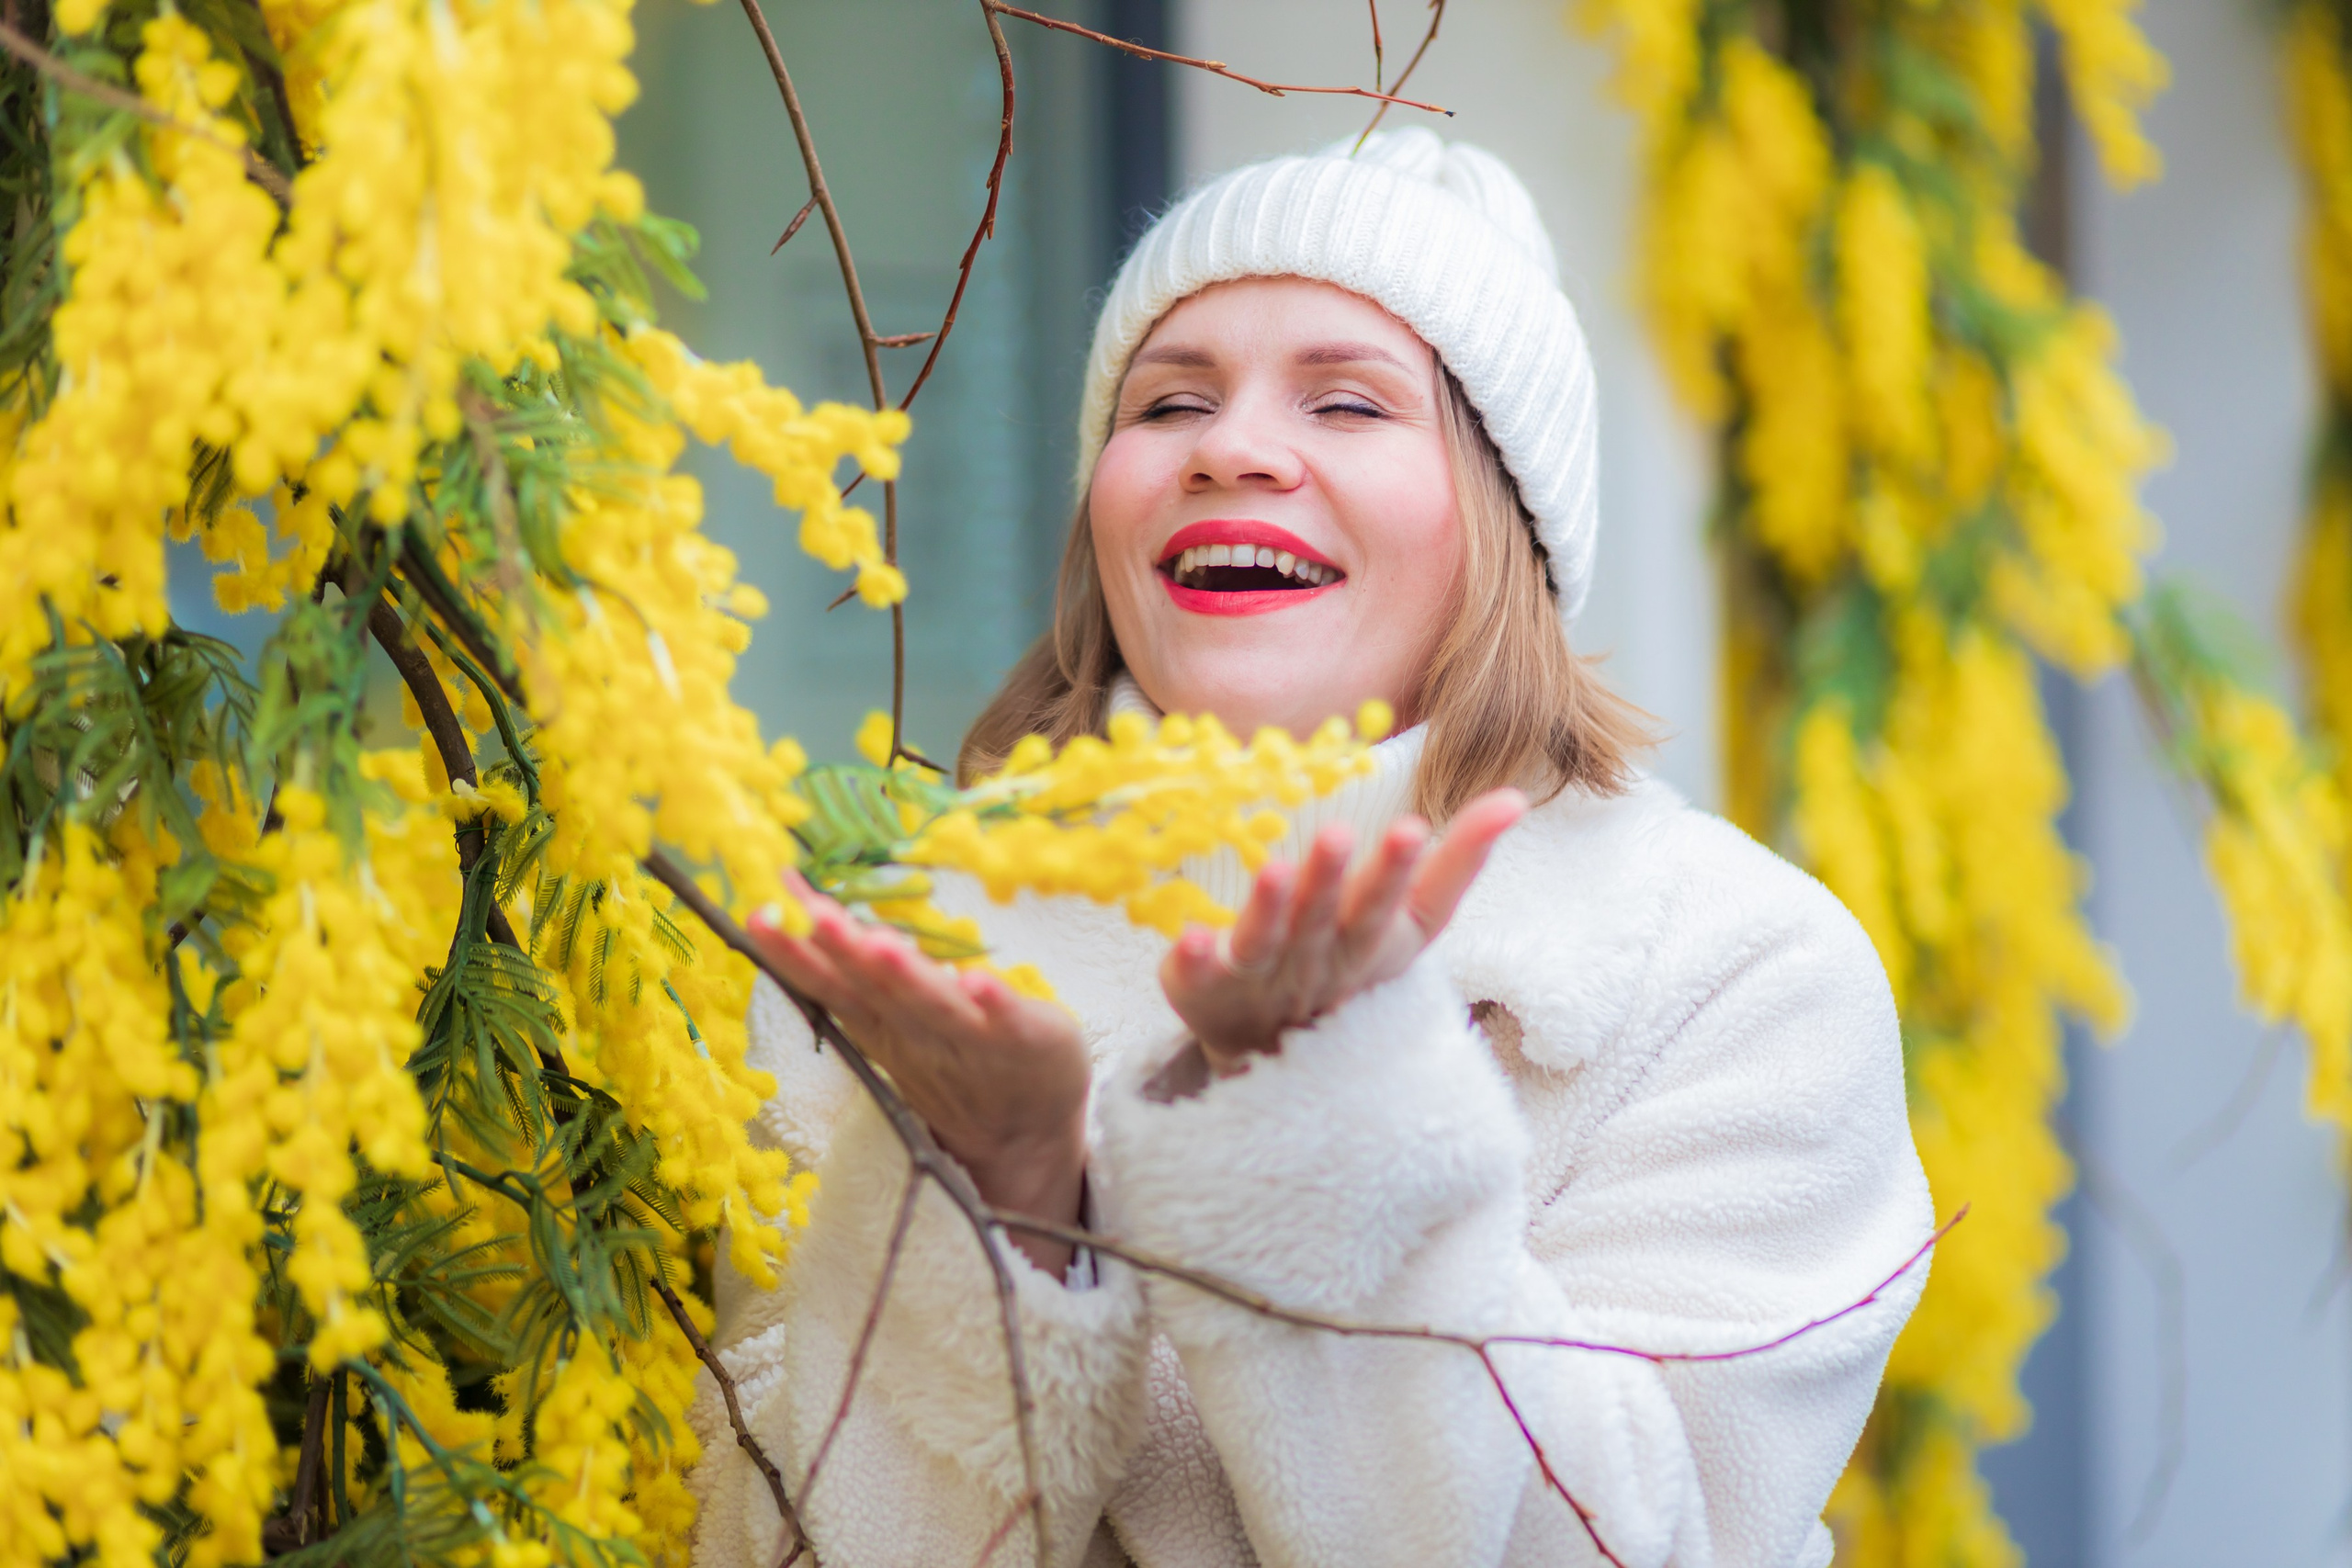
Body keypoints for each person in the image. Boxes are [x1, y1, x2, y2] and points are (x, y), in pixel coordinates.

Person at [687, 129, 1934, 1568]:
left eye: (1347, 403)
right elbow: (762, 1544)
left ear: (1502, 515)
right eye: (1169, 402)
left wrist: (1338, 1128)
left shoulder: (1730, 967)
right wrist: (1002, 1203)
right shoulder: (903, 949)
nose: (1230, 447)